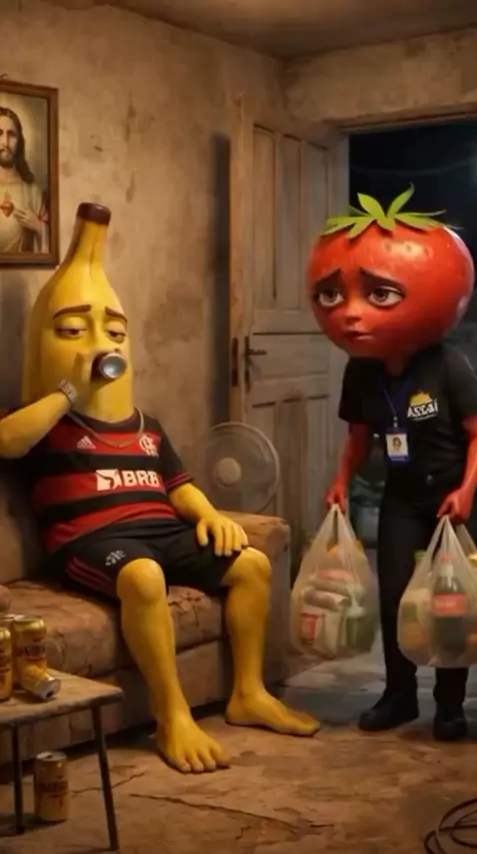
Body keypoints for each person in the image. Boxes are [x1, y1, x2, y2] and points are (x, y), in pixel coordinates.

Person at [0, 202, 319, 775]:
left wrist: (211, 514)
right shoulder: (45, 422)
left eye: (115, 333)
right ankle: (172, 715)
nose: (103, 344)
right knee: (144, 576)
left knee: (251, 564)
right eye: (72, 330)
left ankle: (248, 693)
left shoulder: (146, 425)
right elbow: (7, 441)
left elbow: (181, 486)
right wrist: (69, 391)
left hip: (162, 532)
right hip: (92, 542)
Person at [306, 186, 477, 741]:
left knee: (450, 603)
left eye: (378, 293)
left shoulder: (448, 365)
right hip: (402, 496)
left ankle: (449, 705)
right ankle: (399, 695)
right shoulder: (361, 371)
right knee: (394, 597)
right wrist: (341, 480)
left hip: (453, 495)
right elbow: (359, 436)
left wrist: (467, 491)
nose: (353, 315)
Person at [0, 106, 49, 253]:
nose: (5, 142)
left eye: (11, 135)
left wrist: (39, 227)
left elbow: (49, 251)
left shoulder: (33, 192)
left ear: (19, 142)